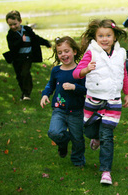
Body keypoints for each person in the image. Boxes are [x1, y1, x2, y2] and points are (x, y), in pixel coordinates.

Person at [72, 19, 128, 185]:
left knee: (107, 136)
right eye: (101, 36)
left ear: (114, 37)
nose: (104, 39)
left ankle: (106, 172)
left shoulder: (121, 53)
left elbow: (123, 73)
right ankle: (95, 138)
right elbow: (76, 74)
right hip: (94, 100)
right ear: (95, 37)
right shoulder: (92, 52)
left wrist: (127, 92)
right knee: (90, 131)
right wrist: (86, 69)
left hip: (113, 101)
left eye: (108, 35)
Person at [40, 36, 86, 167]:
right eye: (60, 52)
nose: (63, 55)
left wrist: (75, 87)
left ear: (74, 52)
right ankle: (63, 142)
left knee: (78, 139)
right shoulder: (56, 70)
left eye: (67, 51)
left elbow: (87, 90)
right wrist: (45, 94)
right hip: (59, 109)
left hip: (76, 111)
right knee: (54, 132)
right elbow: (50, 85)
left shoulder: (80, 71)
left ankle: (78, 160)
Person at [4, 10, 51, 101]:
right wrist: (21, 41)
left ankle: (27, 93)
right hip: (17, 58)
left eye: (15, 24)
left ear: (20, 21)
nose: (13, 27)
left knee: (25, 73)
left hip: (27, 57)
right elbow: (12, 47)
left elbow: (35, 38)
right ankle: (24, 92)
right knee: (19, 76)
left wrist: (46, 43)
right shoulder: (10, 35)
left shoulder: (27, 30)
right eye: (10, 25)